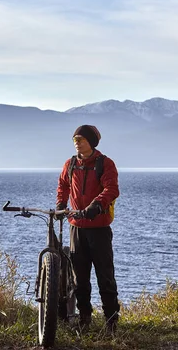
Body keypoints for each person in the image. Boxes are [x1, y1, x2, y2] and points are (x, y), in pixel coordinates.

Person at [56, 124, 120, 333]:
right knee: (79, 278)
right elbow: (63, 185)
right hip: (77, 227)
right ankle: (85, 318)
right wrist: (61, 205)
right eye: (74, 139)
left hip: (99, 228)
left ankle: (111, 320)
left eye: (80, 139)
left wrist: (97, 205)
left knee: (105, 276)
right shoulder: (70, 164)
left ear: (91, 142)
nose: (76, 142)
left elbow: (112, 189)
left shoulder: (105, 164)